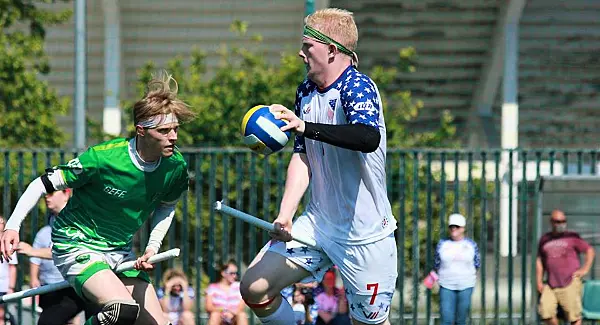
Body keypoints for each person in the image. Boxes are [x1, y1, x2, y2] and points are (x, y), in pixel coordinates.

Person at [239, 8, 398, 325]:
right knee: (253, 287)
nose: (301, 53)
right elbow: (303, 156)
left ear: (331, 50)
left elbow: (367, 137)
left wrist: (305, 127)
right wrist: (285, 213)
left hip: (365, 238)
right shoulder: (305, 92)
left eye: (308, 45)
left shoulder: (358, 87)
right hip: (318, 226)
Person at [1, 71, 195, 325]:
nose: (174, 137)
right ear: (141, 131)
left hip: (119, 251)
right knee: (121, 310)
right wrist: (13, 226)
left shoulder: (175, 167)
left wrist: (152, 247)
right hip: (76, 243)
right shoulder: (103, 158)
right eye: (164, 130)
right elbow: (41, 183)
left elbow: (166, 207)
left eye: (175, 129)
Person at [16, 188, 99, 325]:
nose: (47, 198)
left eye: (51, 193)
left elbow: (67, 250)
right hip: (61, 289)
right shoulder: (49, 226)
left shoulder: (79, 217)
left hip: (88, 282)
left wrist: (32, 251)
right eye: (45, 194)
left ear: (66, 194)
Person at [537, 209, 595, 325]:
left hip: (570, 281)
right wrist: (539, 281)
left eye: (563, 221)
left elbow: (589, 250)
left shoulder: (572, 237)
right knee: (545, 312)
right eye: (558, 221)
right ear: (552, 222)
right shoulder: (545, 239)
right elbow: (539, 261)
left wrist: (585, 269)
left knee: (574, 316)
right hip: (551, 284)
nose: (561, 224)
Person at [433, 213, 480, 325]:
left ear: (463, 228)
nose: (454, 229)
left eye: (457, 226)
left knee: (461, 320)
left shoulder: (471, 245)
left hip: (466, 286)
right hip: (446, 286)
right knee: (446, 319)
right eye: (451, 226)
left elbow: (477, 263)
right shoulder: (442, 244)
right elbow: (436, 263)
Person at [205, 260, 248, 325]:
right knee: (215, 315)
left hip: (234, 316)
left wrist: (231, 313)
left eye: (236, 273)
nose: (235, 276)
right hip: (219, 316)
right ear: (223, 273)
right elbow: (209, 307)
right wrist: (223, 310)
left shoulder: (239, 287)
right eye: (232, 273)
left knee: (242, 315)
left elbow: (241, 307)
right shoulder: (212, 287)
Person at [0, 216, 17, 325]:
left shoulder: (8, 243)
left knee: (1, 314)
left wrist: (11, 286)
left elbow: (12, 267)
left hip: (3, 284)